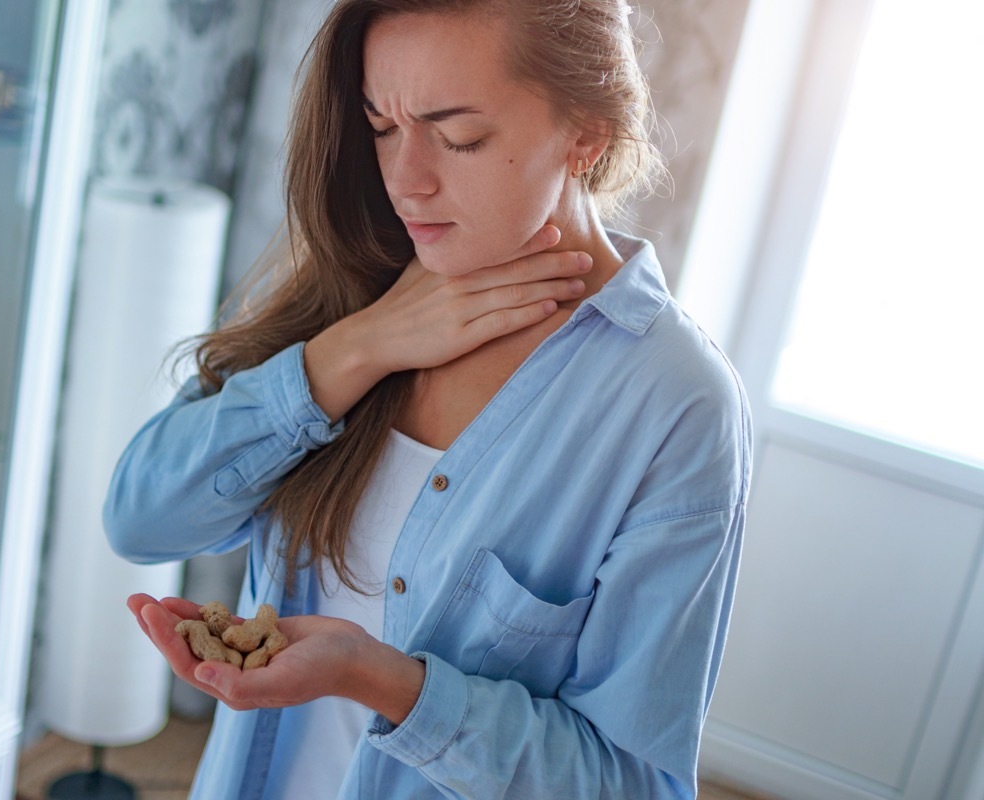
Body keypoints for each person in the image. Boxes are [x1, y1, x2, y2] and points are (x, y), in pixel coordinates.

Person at [104, 0, 751, 797]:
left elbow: (629, 784)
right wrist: (359, 347)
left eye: (459, 136)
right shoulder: (362, 281)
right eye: (382, 127)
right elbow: (141, 519)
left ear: (587, 131)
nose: (406, 181)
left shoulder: (673, 406)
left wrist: (381, 680)